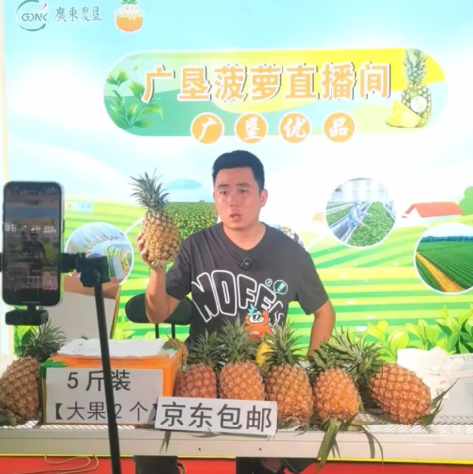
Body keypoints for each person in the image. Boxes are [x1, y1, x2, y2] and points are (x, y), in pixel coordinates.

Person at [134, 150, 335, 474]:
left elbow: (325, 312)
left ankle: (266, 462)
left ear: (262, 197)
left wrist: (311, 370)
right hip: (201, 369)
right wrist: (156, 268)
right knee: (144, 427)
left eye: (243, 190)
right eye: (224, 191)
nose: (233, 200)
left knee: (306, 428)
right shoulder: (195, 246)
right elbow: (157, 313)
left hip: (263, 373)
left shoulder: (291, 253)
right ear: (215, 198)